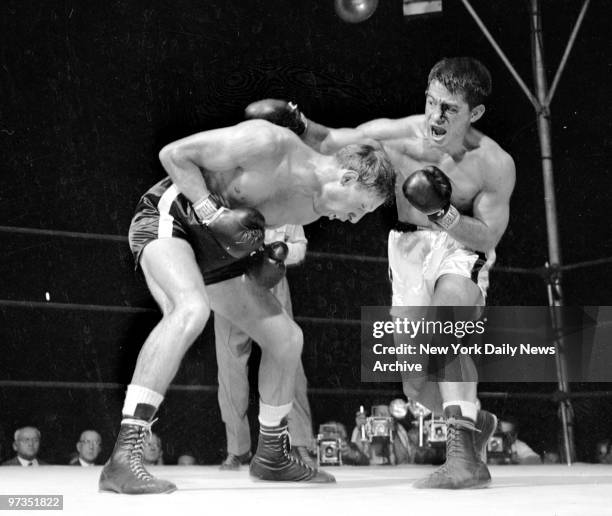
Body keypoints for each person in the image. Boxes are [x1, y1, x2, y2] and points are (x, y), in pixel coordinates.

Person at [246, 56, 516, 489]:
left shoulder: (494, 164)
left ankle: (464, 460)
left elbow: (487, 237)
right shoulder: (401, 136)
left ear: (475, 113)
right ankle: (473, 421)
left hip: (460, 247)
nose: (435, 115)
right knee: (414, 384)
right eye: (431, 102)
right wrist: (296, 122)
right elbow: (335, 140)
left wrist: (443, 214)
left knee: (446, 325)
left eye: (449, 108)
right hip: (407, 248)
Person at [98, 118, 397, 494]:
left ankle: (272, 454)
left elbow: (248, 223)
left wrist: (258, 257)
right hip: (173, 219)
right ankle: (124, 455)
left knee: (286, 338)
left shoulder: (317, 206)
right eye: (360, 209)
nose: (353, 220)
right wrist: (213, 213)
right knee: (190, 310)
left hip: (219, 252)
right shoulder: (268, 143)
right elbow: (173, 156)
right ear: (349, 179)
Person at [216, 224, 316, 470]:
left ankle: (299, 441)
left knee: (288, 360)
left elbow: (300, 248)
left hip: (272, 278)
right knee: (230, 365)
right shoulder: (229, 192)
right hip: (230, 279)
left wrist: (276, 251)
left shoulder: (288, 196)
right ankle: (236, 449)